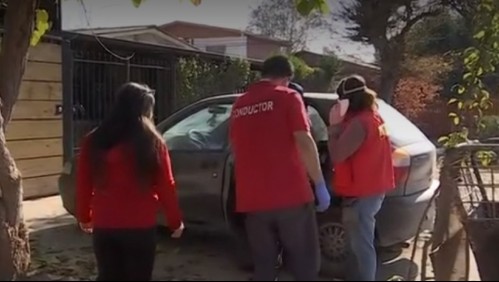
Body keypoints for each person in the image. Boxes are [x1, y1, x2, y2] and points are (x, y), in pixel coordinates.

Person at [229, 55, 330, 281]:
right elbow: (304, 141)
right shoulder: (288, 96)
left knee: (264, 264)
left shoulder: (240, 104)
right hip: (290, 197)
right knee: (304, 263)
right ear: (287, 78)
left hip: (252, 200)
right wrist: (320, 183)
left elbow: (235, 148)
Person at [76, 82, 184, 281]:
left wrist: (84, 216)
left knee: (108, 276)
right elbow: (166, 185)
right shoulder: (153, 143)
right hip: (140, 226)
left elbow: (83, 182)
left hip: (105, 224)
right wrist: (175, 222)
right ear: (145, 110)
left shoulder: (94, 140)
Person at [327, 75, 395, 281]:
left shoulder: (359, 123)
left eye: (341, 101)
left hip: (362, 193)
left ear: (348, 101)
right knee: (361, 242)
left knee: (362, 245)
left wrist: (333, 127)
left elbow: (338, 154)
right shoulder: (375, 117)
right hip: (373, 189)